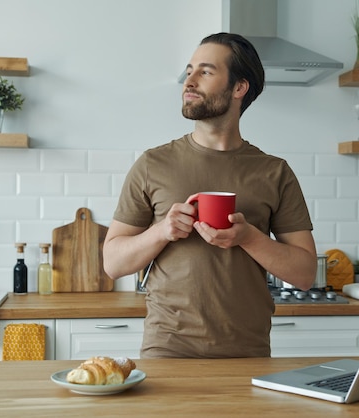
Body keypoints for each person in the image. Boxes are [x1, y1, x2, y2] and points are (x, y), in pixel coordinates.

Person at [103, 32, 317, 359]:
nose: (189, 81)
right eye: (189, 71)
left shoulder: (274, 172)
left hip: (247, 353)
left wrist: (248, 237)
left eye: (205, 72)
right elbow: (113, 263)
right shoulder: (152, 164)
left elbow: (304, 274)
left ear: (239, 88)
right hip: (168, 350)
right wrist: (162, 231)